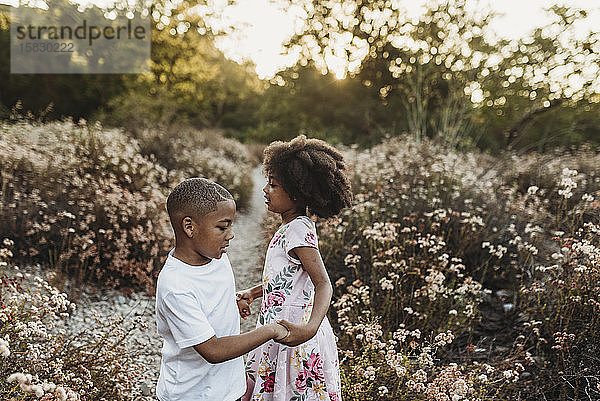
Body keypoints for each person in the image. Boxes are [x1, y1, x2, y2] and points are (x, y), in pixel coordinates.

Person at [237, 136, 352, 401]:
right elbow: (289, 281)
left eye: (274, 185)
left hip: (296, 335)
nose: (265, 190)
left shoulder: (298, 230)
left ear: (297, 193)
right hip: (280, 329)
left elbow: (323, 283)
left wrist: (310, 328)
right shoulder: (290, 227)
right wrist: (254, 293)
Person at [156, 178, 290, 401]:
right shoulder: (175, 286)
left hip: (229, 388)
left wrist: (233, 301)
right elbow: (213, 350)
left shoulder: (216, 257)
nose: (231, 234)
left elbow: (213, 295)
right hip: (192, 395)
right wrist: (272, 330)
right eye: (222, 227)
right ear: (189, 227)